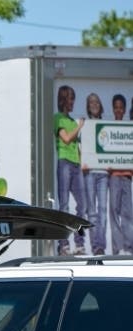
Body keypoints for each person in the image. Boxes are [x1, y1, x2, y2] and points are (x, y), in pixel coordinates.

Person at [54, 85, 87, 256]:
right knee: (64, 205)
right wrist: (79, 126)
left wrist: (82, 163)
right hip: (64, 163)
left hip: (75, 165)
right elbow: (66, 139)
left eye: (73, 98)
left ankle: (79, 243)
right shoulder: (58, 119)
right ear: (63, 100)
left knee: (82, 205)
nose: (72, 102)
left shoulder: (72, 121)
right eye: (70, 99)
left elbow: (77, 146)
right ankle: (63, 245)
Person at [82, 93, 108, 256]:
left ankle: (101, 246)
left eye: (96, 101)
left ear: (100, 105)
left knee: (103, 210)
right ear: (88, 105)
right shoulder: (83, 124)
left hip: (104, 172)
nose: (94, 104)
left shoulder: (106, 124)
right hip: (89, 172)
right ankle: (95, 246)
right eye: (91, 102)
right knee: (92, 210)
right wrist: (81, 162)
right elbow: (79, 147)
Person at [108, 94, 133, 254]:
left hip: (127, 176)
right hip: (114, 175)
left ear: (124, 110)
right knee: (114, 212)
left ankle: (129, 247)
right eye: (116, 107)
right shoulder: (108, 128)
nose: (118, 110)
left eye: (121, 108)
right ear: (113, 109)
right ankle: (117, 247)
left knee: (127, 213)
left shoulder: (129, 129)